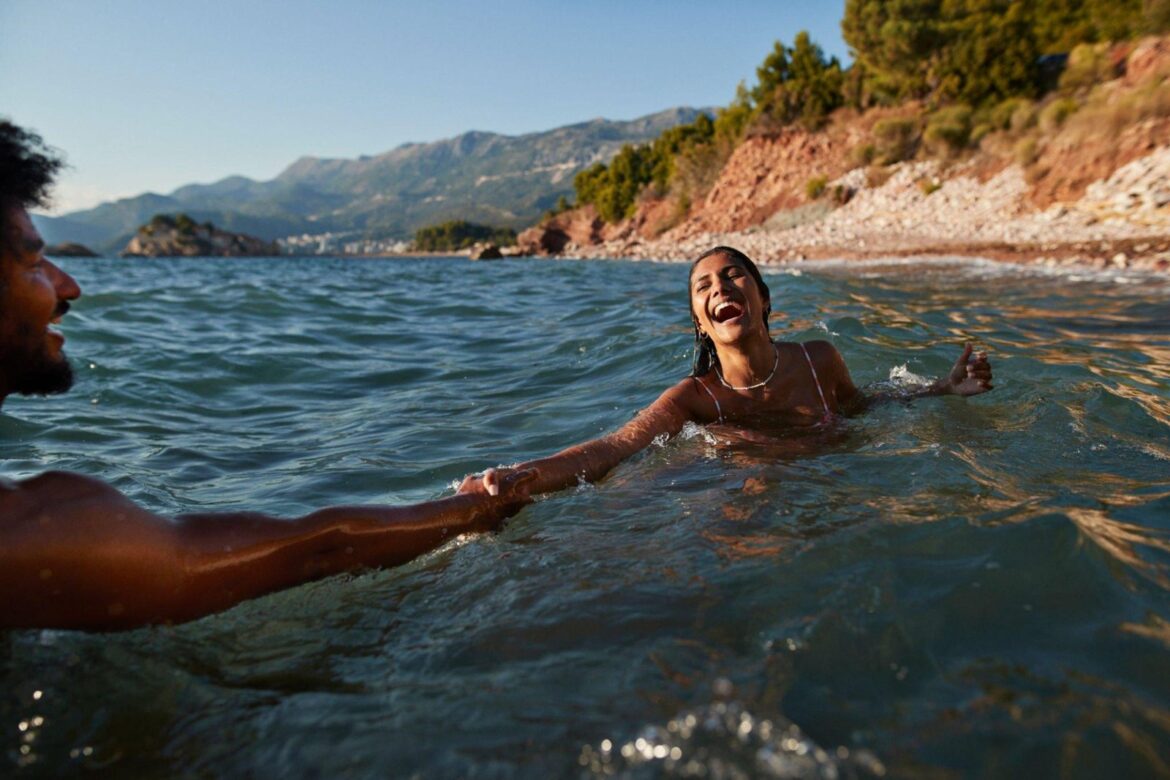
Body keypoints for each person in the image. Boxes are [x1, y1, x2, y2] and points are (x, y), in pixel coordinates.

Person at [0, 120, 532, 631]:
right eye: (32, 263)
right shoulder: (38, 532)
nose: (67, 286)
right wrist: (480, 506)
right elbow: (318, 550)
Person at [462, 245, 993, 498]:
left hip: (833, 491)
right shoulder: (697, 399)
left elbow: (862, 407)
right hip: (738, 497)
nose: (720, 287)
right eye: (704, 286)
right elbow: (615, 447)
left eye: (734, 275)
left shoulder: (819, 360)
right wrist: (525, 472)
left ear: (763, 298)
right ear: (701, 323)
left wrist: (941, 390)